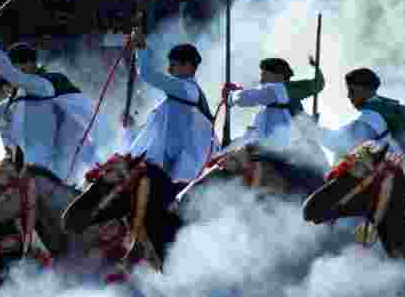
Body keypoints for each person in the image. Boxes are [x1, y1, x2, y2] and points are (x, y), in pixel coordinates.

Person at [0, 28, 102, 184]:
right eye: (14, 66)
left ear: (31, 64)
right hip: (27, 169)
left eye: (18, 66)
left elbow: (11, 74)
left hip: (57, 167)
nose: (14, 73)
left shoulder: (47, 83)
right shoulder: (18, 96)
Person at [126, 32, 217, 192]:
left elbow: (148, 74)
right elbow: (155, 132)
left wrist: (141, 47)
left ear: (188, 65)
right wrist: (132, 128)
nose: (168, 70)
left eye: (173, 65)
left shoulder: (188, 90)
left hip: (186, 168)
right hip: (170, 164)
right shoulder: (175, 97)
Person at [302, 68, 405, 173]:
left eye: (352, 91)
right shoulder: (386, 106)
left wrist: (311, 129)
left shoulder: (373, 114)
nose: (348, 96)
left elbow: (343, 142)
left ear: (366, 89)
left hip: (400, 175)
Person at [222, 56, 324, 150]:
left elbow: (250, 97)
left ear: (278, 76)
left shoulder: (277, 90)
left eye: (264, 75)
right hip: (280, 146)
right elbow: (318, 84)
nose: (261, 79)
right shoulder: (287, 91)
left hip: (279, 149)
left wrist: (231, 96)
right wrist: (316, 68)